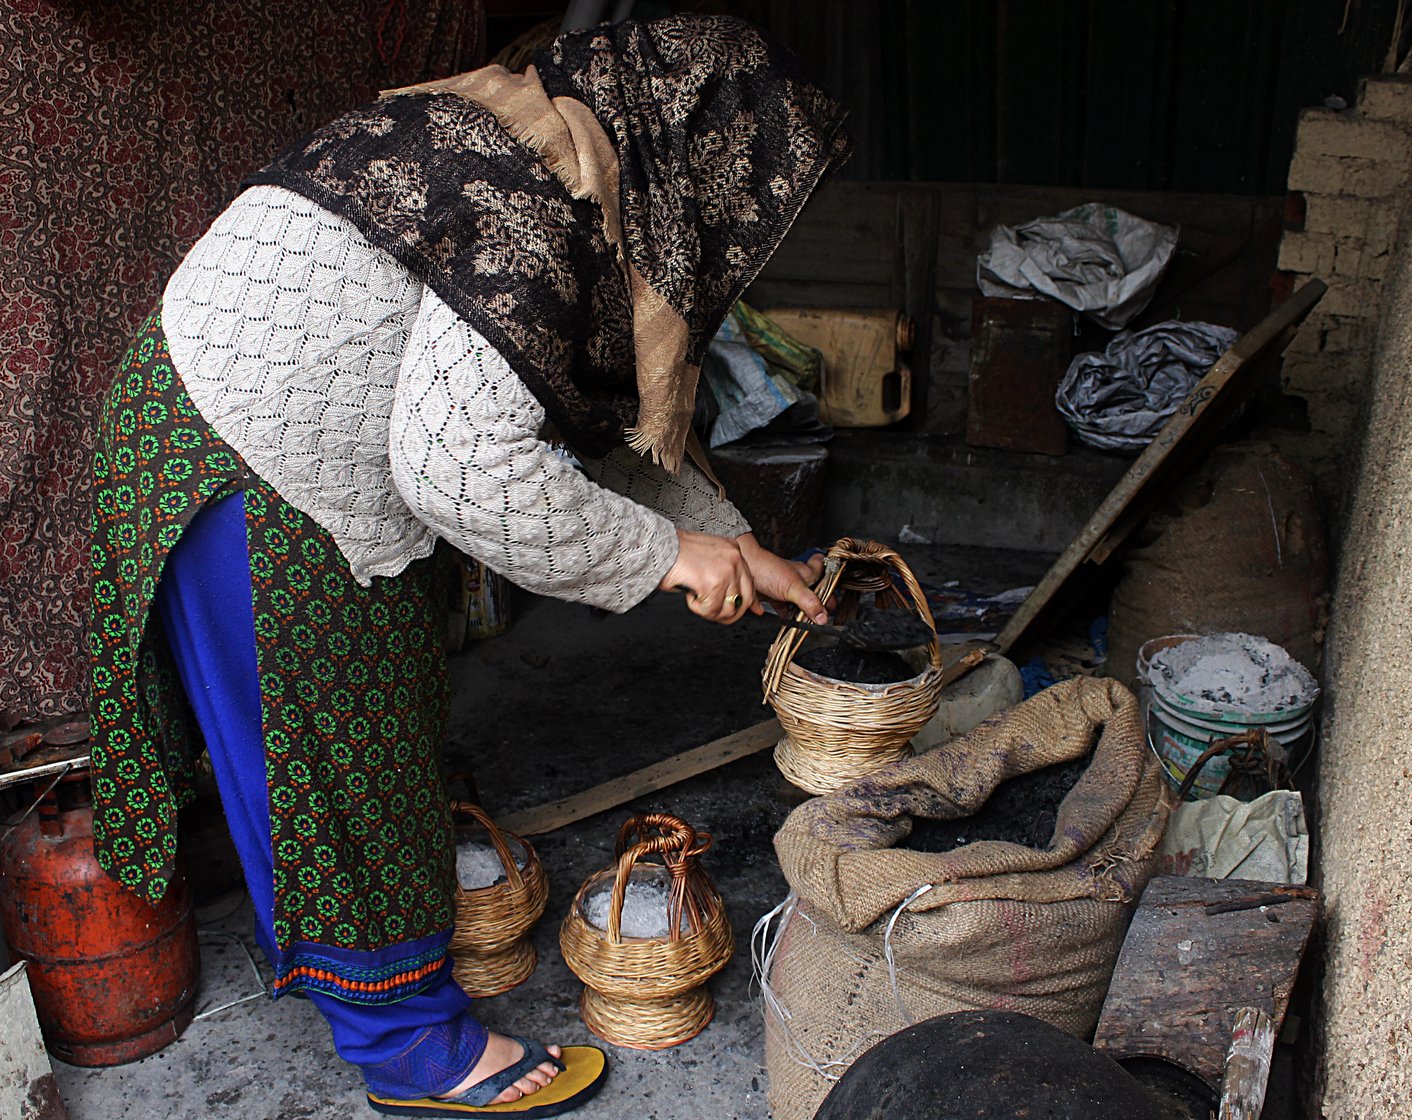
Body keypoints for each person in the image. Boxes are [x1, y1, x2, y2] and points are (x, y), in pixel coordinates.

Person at [85, 15, 848, 1118]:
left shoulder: (514, 137)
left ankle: (332, 952)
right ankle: (412, 1050)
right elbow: (460, 468)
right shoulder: (533, 210)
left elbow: (576, 431)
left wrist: (731, 545)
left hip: (197, 417)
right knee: (348, 757)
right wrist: (667, 556)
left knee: (328, 747)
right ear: (681, 164)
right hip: (252, 465)